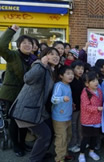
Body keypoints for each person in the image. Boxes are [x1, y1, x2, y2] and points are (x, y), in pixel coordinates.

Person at [10, 47, 60, 161]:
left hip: (39, 109)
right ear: (44, 56)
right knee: (45, 135)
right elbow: (28, 78)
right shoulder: (39, 65)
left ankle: (40, 154)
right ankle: (35, 159)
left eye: (57, 54)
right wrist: (41, 64)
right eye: (51, 54)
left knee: (49, 132)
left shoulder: (51, 70)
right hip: (28, 108)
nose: (55, 56)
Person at [0, 24, 34, 157]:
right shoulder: (12, 55)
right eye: (24, 43)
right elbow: (1, 46)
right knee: (14, 121)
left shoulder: (32, 59)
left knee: (24, 120)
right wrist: (11, 31)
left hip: (26, 94)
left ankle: (22, 143)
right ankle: (16, 145)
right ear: (19, 45)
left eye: (29, 43)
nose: (27, 45)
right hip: (12, 94)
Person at [51, 66, 74, 162]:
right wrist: (62, 99)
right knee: (61, 138)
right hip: (59, 118)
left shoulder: (68, 85)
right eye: (68, 73)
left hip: (67, 116)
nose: (71, 76)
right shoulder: (59, 85)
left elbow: (68, 98)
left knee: (68, 136)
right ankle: (59, 159)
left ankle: (64, 154)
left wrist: (71, 104)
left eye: (72, 73)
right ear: (61, 76)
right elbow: (53, 99)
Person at [78, 71, 103, 162]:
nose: (96, 82)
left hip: (97, 119)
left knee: (94, 136)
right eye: (92, 81)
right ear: (86, 84)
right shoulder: (85, 92)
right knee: (86, 138)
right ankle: (81, 154)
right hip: (87, 119)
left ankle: (91, 151)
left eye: (96, 80)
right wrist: (98, 108)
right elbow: (86, 106)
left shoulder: (99, 91)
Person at [68, 61, 85, 153]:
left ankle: (79, 142)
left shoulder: (81, 79)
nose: (80, 70)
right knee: (73, 126)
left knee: (79, 126)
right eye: (78, 68)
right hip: (73, 108)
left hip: (81, 107)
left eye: (82, 68)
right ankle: (72, 144)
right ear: (72, 69)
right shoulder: (70, 81)